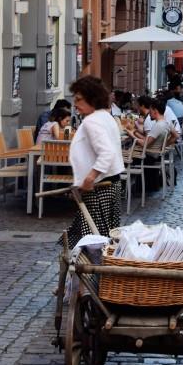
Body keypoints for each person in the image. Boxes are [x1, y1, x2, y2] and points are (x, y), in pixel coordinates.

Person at [67, 75, 125, 245]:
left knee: (94, 242)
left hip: (100, 188)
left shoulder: (92, 121)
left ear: (91, 99)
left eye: (79, 99)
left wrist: (90, 177)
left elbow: (107, 153)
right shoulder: (106, 117)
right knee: (105, 236)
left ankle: (93, 271)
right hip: (110, 185)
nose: (75, 104)